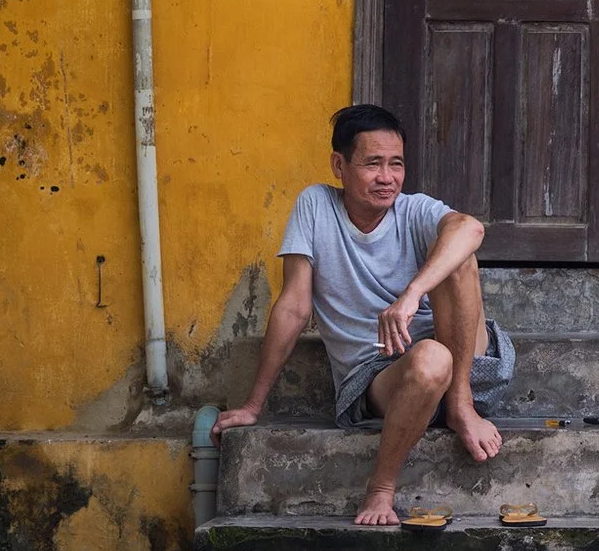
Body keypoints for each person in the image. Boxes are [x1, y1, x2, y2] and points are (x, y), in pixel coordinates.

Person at [216, 104, 517, 527]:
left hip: (465, 362)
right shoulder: (317, 206)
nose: (387, 178)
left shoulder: (413, 210)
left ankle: (461, 406)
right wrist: (253, 404)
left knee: (459, 255)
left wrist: (412, 293)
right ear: (340, 165)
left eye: (396, 164)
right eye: (372, 164)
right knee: (432, 360)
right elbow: (294, 306)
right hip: (383, 375)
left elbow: (471, 228)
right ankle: (381, 489)